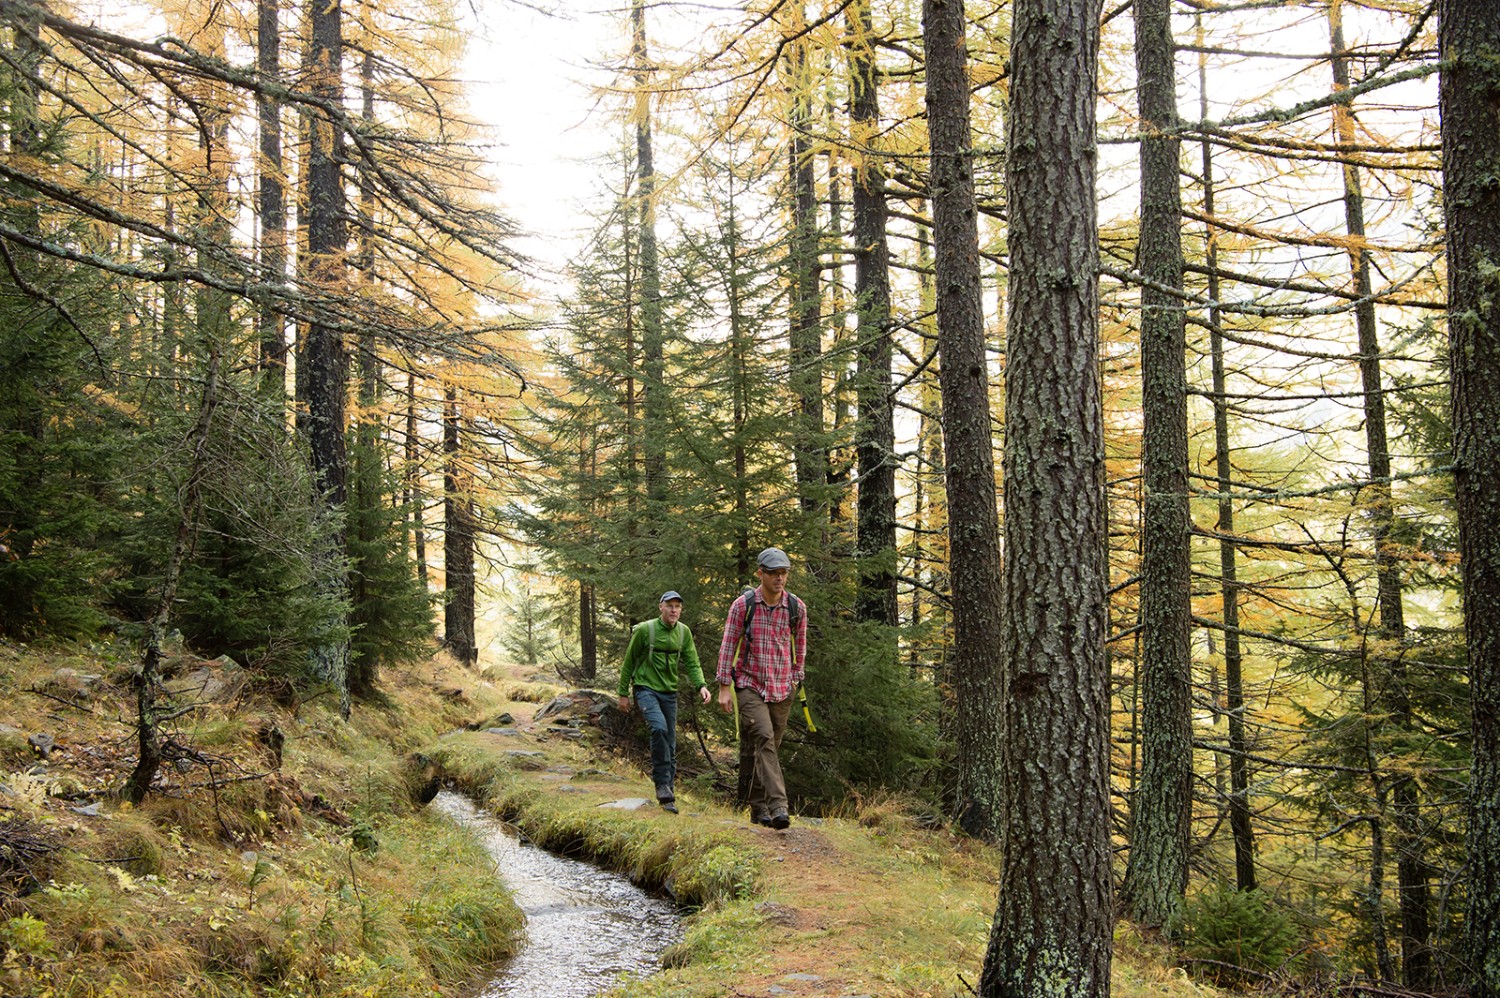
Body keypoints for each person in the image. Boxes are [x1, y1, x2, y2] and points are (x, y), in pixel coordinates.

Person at [716, 547, 807, 830]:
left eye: (784, 573)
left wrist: (796, 676)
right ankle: (779, 806)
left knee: (769, 749)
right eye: (774, 573)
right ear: (761, 574)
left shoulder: (796, 608)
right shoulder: (743, 606)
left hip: (782, 687)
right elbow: (728, 645)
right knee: (765, 738)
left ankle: (757, 808)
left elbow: (801, 646)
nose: (780, 578)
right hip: (749, 684)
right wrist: (723, 687)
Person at [618, 590, 710, 814]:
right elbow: (629, 662)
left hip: (669, 693)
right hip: (645, 689)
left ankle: (668, 793)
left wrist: (701, 686)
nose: (674, 610)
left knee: (670, 741)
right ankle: (661, 785)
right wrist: (623, 693)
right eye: (670, 605)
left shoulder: (683, 633)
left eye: (677, 606)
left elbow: (692, 661)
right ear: (661, 607)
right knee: (658, 728)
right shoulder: (645, 630)